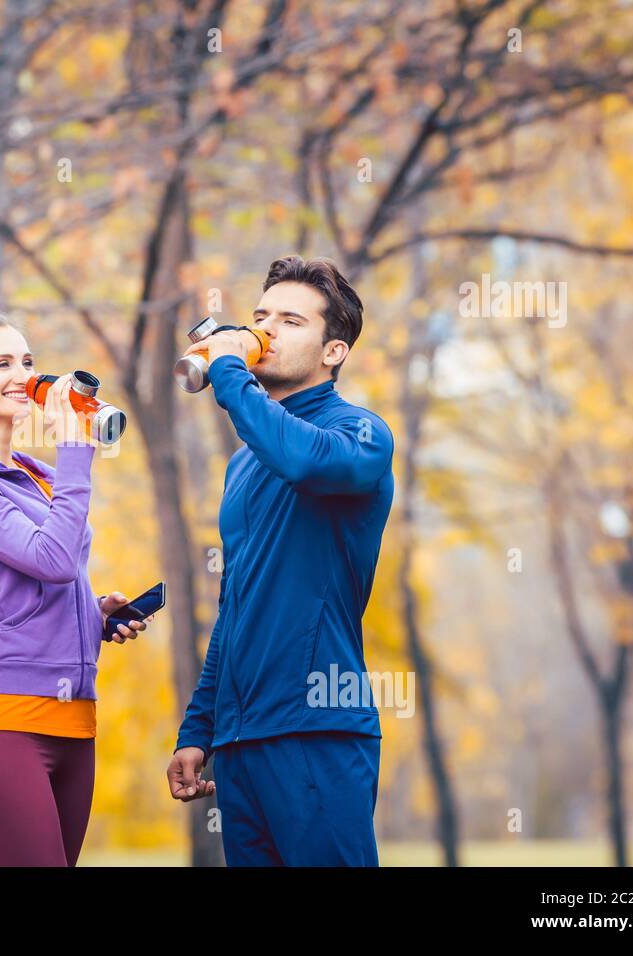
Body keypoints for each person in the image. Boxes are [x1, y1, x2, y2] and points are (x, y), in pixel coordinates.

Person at [166, 256, 395, 866]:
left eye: (290, 321)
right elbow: (235, 607)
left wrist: (231, 372)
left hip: (316, 727)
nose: (265, 329)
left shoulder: (362, 433)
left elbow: (304, 460)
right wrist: (199, 730)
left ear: (333, 352)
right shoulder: (242, 464)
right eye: (260, 316)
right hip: (240, 743)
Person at [0, 314, 152, 867]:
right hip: (9, 726)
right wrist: (77, 451)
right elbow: (51, 560)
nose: (21, 375)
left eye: (26, 362)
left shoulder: (34, 473)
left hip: (77, 721)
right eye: (1, 363)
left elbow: (49, 575)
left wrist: (92, 615)